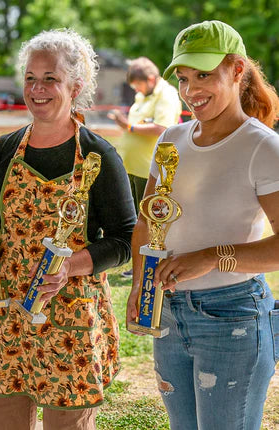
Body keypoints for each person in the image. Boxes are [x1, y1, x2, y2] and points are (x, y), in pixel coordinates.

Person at [0, 29, 136, 430]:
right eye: (31, 78)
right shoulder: (3, 150)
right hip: (4, 315)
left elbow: (126, 239)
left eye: (50, 78)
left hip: (70, 318)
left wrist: (70, 266)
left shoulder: (98, 154)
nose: (37, 89)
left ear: (75, 85)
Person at [126, 20, 279, 430]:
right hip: (169, 315)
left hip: (234, 318)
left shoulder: (262, 146)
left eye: (204, 75)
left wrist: (212, 257)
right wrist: (141, 285)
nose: (191, 90)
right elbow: (146, 220)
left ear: (237, 70)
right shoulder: (171, 140)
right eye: (184, 77)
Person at [108, 57, 182, 278]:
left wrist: (128, 126)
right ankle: (135, 259)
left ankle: (144, 264)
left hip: (149, 169)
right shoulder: (143, 96)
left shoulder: (167, 96)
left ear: (150, 79)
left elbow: (163, 128)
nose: (135, 89)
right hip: (132, 167)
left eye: (137, 84)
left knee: (148, 220)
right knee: (134, 218)